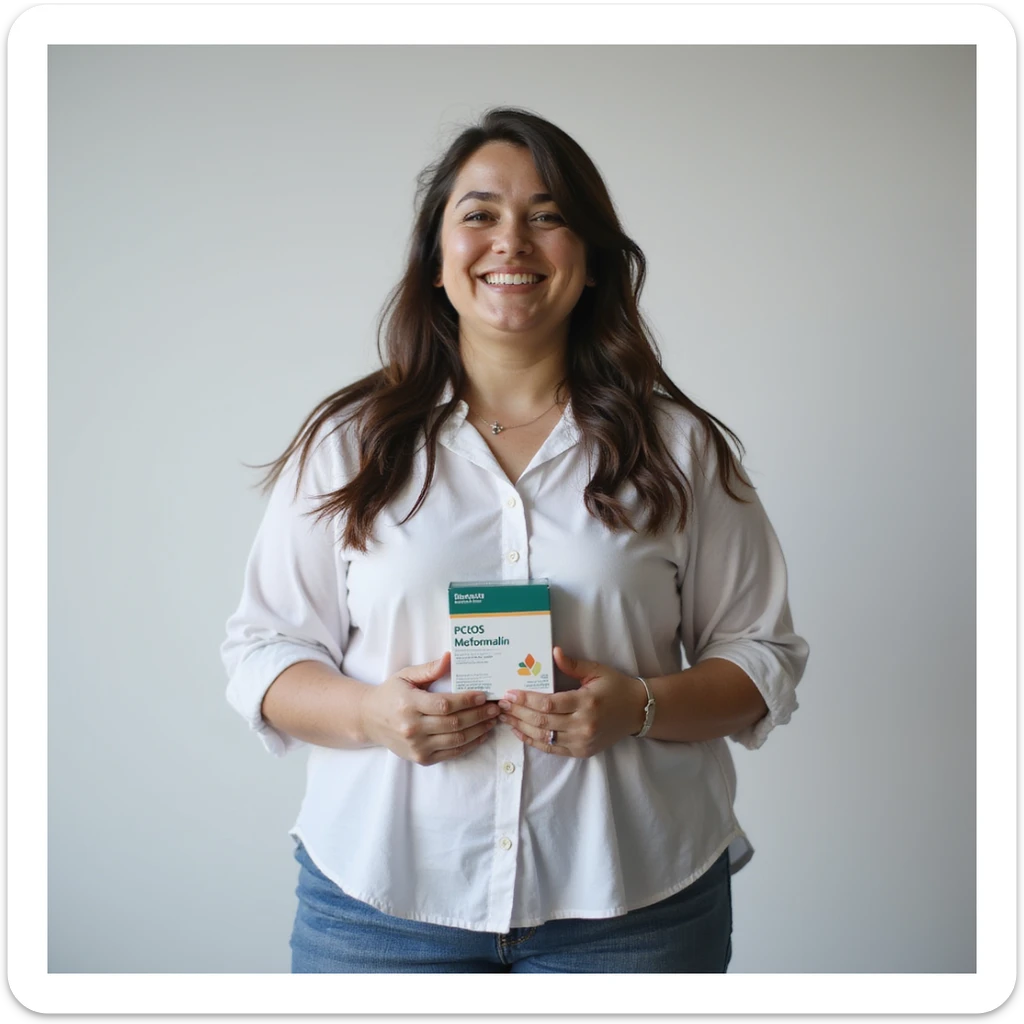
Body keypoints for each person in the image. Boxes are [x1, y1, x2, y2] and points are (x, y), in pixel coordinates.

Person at [221, 107, 809, 974]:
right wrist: (372, 715)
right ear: (435, 261)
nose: (513, 242)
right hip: (383, 905)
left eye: (548, 215)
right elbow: (262, 653)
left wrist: (637, 706)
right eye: (481, 213)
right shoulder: (347, 444)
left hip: (632, 908)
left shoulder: (679, 450)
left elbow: (762, 660)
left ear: (593, 260)